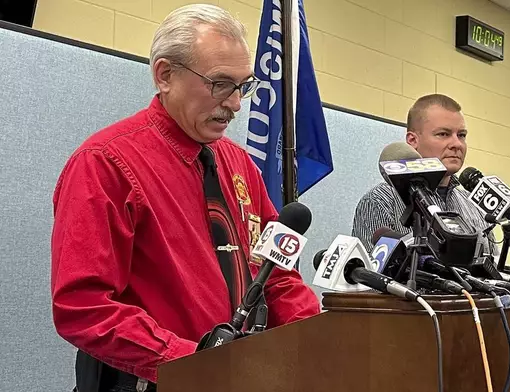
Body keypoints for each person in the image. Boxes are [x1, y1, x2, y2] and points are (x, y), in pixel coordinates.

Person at [50, 5, 320, 391]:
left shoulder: (241, 164)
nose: (236, 103)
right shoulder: (104, 165)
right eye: (220, 84)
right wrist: (195, 364)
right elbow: (84, 307)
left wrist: (315, 341)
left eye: (244, 85)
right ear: (165, 75)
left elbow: (276, 274)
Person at [352, 94, 495, 254]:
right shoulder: (380, 201)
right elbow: (370, 273)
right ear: (413, 140)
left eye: (461, 135)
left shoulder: (475, 207)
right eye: (443, 134)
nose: (456, 144)